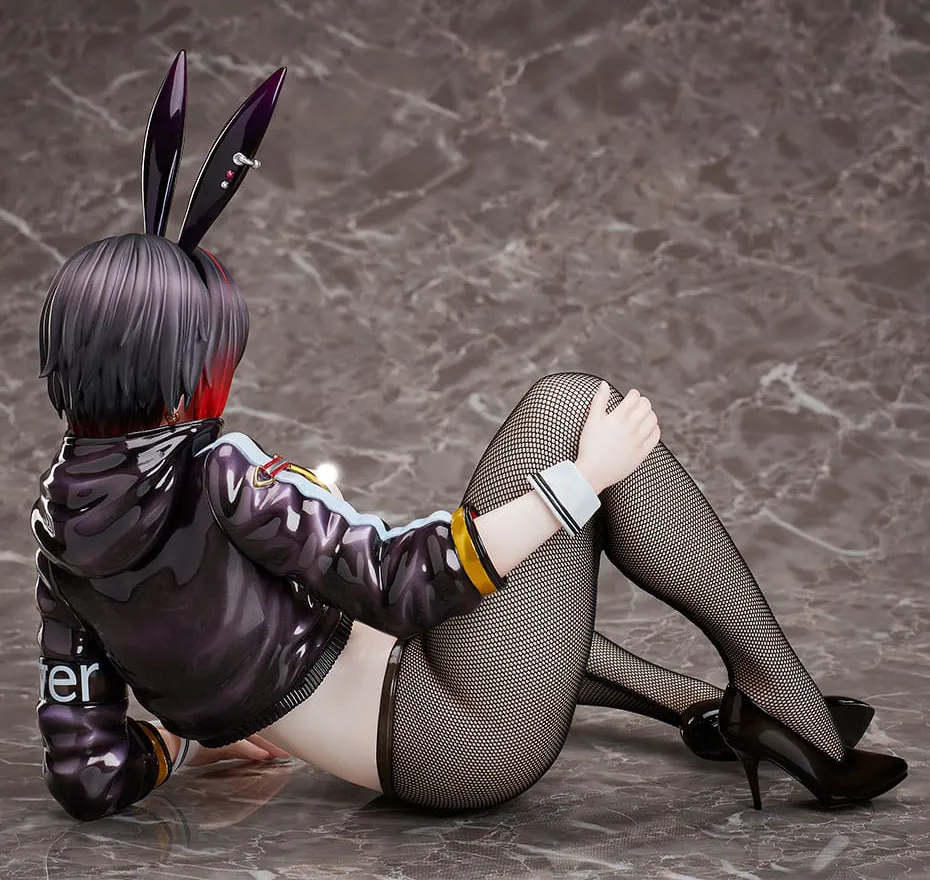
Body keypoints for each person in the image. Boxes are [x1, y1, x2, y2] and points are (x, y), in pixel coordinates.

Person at [32, 52, 907, 823]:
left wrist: (187, 736)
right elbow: (396, 585)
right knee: (571, 409)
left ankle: (707, 705)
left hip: (418, 703)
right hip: (453, 739)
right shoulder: (219, 472)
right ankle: (786, 706)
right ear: (182, 365)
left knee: (510, 572)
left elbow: (86, 776)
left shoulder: (59, 538)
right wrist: (578, 485)